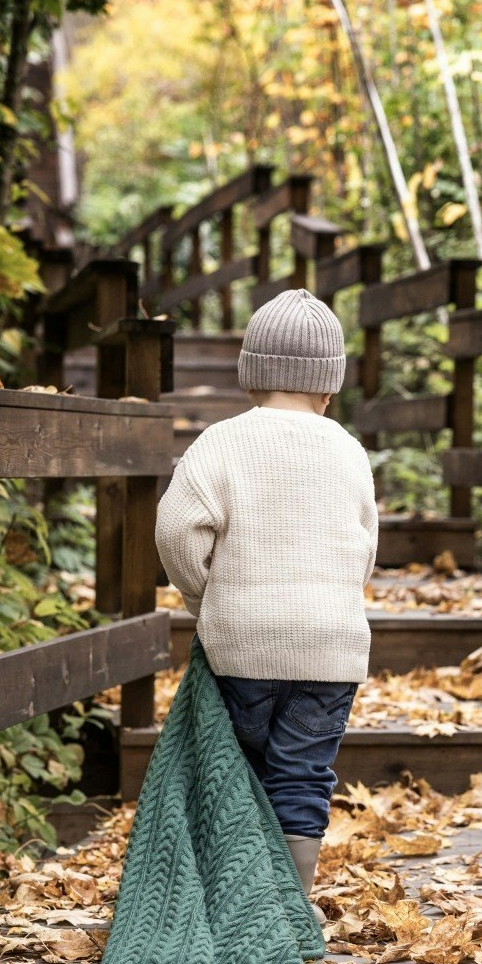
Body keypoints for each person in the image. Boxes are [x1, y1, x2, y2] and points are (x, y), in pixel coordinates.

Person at [155, 288, 378, 907]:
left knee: (242, 774)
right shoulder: (348, 451)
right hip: (329, 651)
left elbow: (175, 533)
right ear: (328, 386)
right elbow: (365, 548)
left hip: (240, 649)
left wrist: (210, 598)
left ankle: (239, 902)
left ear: (250, 375)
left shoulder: (220, 443)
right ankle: (291, 915)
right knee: (302, 775)